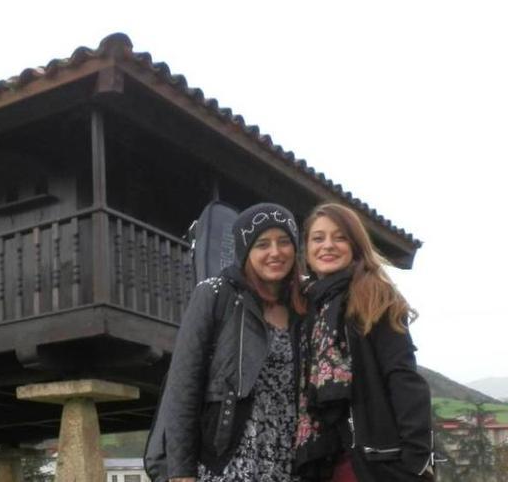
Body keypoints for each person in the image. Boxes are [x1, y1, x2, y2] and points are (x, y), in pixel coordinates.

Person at [155, 203, 305, 482]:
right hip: (230, 460)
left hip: (289, 459)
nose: (275, 252)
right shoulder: (215, 295)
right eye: (262, 244)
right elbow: (182, 386)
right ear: (246, 251)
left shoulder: (302, 307)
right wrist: (181, 472)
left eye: (284, 242)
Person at [293, 203, 433, 481]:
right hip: (322, 460)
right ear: (306, 250)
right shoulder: (305, 308)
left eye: (340, 237)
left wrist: (416, 461)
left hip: (373, 462)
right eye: (318, 238)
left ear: (355, 245)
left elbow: (403, 378)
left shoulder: (374, 296)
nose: (328, 245)